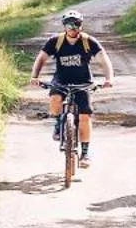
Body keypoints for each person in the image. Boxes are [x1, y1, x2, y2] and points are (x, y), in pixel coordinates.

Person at [29, 10, 114, 167]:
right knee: (55, 99)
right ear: (64, 26)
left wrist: (109, 79)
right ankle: (57, 123)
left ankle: (85, 153)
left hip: (83, 81)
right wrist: (35, 77)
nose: (73, 27)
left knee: (84, 116)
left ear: (81, 26)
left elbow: (104, 60)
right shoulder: (55, 41)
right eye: (69, 24)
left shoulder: (89, 41)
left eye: (76, 24)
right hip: (61, 79)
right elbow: (41, 58)